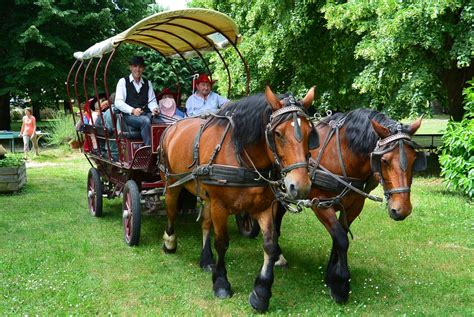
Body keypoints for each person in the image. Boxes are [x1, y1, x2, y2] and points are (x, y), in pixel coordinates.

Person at [114, 56, 159, 146]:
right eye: (135, 66)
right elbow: (118, 102)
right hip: (129, 116)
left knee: (162, 122)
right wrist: (133, 110)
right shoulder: (123, 82)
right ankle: (149, 151)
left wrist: (155, 109)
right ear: (130, 68)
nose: (137, 69)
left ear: (143, 69)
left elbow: (152, 101)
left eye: (140, 67)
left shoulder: (147, 83)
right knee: (145, 121)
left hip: (146, 113)